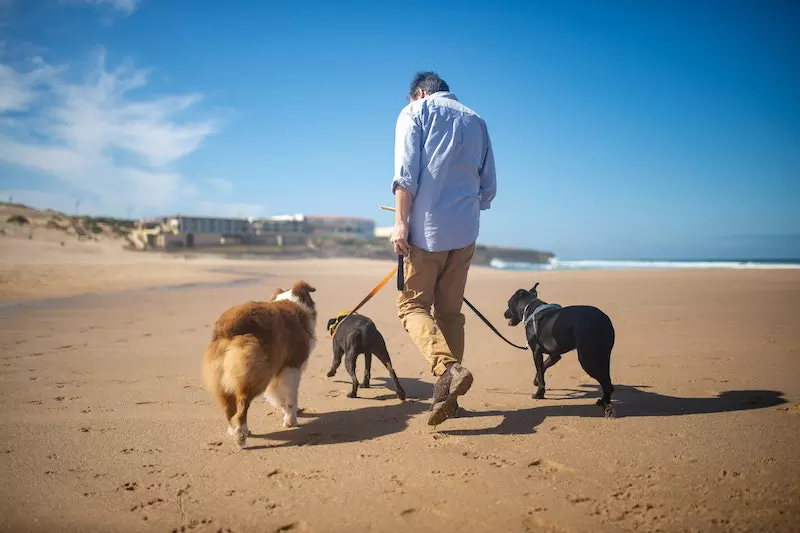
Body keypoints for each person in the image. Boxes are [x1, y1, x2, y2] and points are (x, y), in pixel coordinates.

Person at [390, 71, 497, 426]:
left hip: (426, 231)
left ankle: (448, 368)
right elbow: (488, 187)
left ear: (419, 93)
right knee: (449, 314)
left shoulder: (415, 112)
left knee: (411, 307)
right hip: (465, 231)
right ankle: (449, 401)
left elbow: (405, 175)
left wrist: (401, 223)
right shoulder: (476, 119)